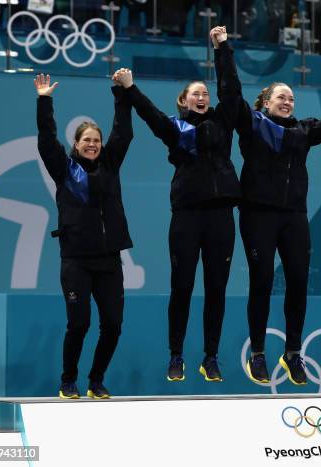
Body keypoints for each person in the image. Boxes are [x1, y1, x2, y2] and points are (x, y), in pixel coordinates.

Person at [115, 27, 241, 383]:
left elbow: (231, 87)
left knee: (216, 288)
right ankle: (176, 355)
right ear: (184, 102)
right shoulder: (175, 129)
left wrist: (222, 48)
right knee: (182, 286)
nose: (202, 97)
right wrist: (130, 88)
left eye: (205, 93)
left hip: (221, 216)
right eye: (195, 94)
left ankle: (210, 357)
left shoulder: (223, 122)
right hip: (186, 216)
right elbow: (150, 115)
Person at [236, 62, 321, 386]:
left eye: (291, 98)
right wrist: (223, 50)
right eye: (281, 97)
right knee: (262, 280)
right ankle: (259, 353)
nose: (287, 101)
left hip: (293, 216)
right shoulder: (253, 125)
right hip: (258, 214)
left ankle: (293, 352)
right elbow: (230, 97)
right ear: (266, 102)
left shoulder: (302, 130)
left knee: (297, 282)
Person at [34, 72, 134, 399]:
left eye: (96, 140)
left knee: (113, 326)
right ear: (76, 144)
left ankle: (96, 380)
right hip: (76, 261)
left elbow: (124, 132)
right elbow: (47, 141)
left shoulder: (111, 165)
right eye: (86, 140)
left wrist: (121, 94)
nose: (92, 144)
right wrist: (44, 100)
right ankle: (68, 380)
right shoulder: (65, 171)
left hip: (109, 261)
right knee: (79, 324)